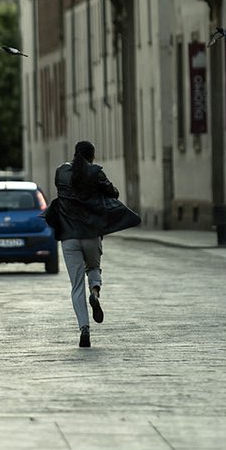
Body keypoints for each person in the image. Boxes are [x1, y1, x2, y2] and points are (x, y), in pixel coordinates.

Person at [51, 140, 141, 348]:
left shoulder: (60, 173)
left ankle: (84, 328)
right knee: (93, 267)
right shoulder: (95, 173)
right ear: (92, 156)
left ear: (74, 154)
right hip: (91, 234)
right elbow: (112, 192)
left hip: (68, 236)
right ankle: (95, 293)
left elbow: (63, 187)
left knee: (75, 285)